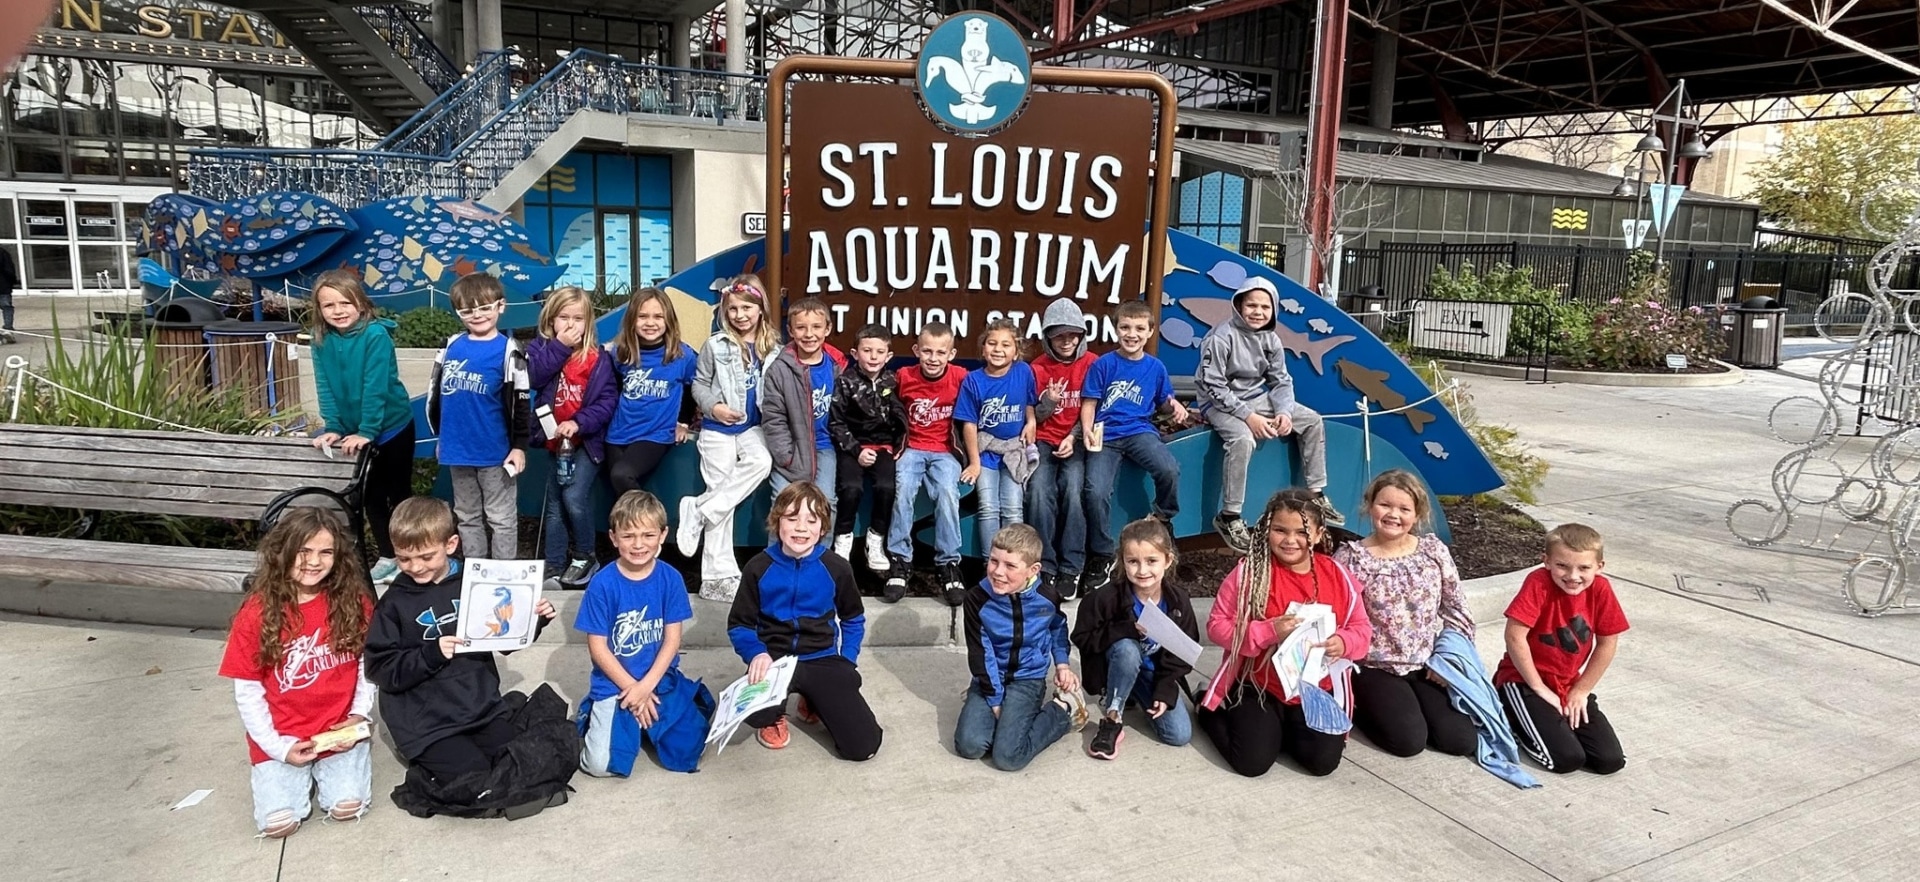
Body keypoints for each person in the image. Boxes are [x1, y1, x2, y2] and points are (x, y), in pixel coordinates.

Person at [365, 497, 560, 789]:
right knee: (474, 782)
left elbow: (504, 640)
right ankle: (425, 757)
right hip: (426, 722)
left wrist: (534, 620)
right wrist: (430, 654)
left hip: (477, 707)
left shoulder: (476, 581)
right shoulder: (393, 604)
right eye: (404, 559)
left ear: (451, 544)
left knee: (521, 764)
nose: (415, 567)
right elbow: (380, 669)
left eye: (426, 556)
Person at [217, 507, 375, 838]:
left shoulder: (352, 601)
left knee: (348, 806)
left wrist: (359, 715)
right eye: (304, 551)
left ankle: (335, 769)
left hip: (337, 730)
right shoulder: (257, 612)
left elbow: (366, 665)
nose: (314, 561)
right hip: (282, 734)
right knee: (279, 823)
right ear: (282, 551)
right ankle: (286, 775)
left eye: (325, 552)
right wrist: (278, 748)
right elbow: (247, 691)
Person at [1197, 490, 1372, 777]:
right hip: (1259, 686)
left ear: (1317, 534)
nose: (1290, 540)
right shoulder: (1250, 574)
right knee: (1251, 764)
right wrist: (1266, 631)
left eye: (1301, 532)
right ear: (1267, 530)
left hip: (1314, 688)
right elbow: (1217, 626)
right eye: (1280, 530)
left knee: (1322, 763)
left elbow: (1362, 630)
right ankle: (1210, 712)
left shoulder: (1338, 576)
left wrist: (1343, 642)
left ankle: (1276, 732)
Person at [726, 481, 883, 761]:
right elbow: (739, 624)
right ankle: (775, 714)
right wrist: (756, 653)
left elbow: (853, 619)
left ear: (823, 529)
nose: (801, 528)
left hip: (821, 656)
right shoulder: (758, 567)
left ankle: (814, 700)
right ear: (777, 522)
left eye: (812, 520)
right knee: (756, 713)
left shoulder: (836, 567)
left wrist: (847, 660)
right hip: (774, 658)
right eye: (792, 518)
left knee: (863, 747)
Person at [1332, 470, 1476, 758]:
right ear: (1370, 505)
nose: (1393, 514)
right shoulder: (1351, 558)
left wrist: (1447, 659)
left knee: (1460, 741)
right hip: (1374, 666)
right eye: (1384, 505)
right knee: (1408, 742)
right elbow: (1337, 618)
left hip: (1426, 665)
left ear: (1417, 514)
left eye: (1404, 509)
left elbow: (1457, 609)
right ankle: (1357, 702)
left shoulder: (1432, 551)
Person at [1196, 277, 1340, 552]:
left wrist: (1284, 412)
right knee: (1242, 439)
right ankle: (1229, 516)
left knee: (1311, 420)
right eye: (1251, 305)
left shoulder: (1271, 338)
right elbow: (1212, 385)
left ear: (1273, 310)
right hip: (1218, 403)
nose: (1257, 312)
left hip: (1256, 397)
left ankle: (1317, 493)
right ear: (1239, 305)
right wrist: (1249, 417)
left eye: (1265, 306)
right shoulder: (1220, 337)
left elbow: (1281, 381)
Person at [576, 491, 713, 776]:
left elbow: (672, 640)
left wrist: (645, 688)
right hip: (616, 685)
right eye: (628, 536)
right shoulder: (602, 585)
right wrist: (633, 690)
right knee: (599, 766)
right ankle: (597, 714)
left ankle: (655, 719)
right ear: (614, 538)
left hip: (658, 680)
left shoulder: (670, 579)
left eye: (648, 535)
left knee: (689, 750)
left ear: (663, 535)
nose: (638, 545)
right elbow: (598, 649)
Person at [307, 268, 415, 583]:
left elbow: (375, 387)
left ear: (361, 304)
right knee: (369, 497)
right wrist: (334, 426)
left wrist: (367, 431)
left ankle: (409, 554)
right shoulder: (320, 339)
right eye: (329, 306)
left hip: (391, 427)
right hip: (355, 432)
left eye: (345, 303)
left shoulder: (375, 335)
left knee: (398, 497)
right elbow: (324, 385)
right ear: (320, 310)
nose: (338, 311)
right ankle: (388, 554)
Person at [1494, 523, 1629, 775]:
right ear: (1546, 561)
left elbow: (1608, 642)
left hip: (1568, 683)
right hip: (1523, 681)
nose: (1573, 575)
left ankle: (1551, 725)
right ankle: (1512, 717)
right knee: (1566, 760)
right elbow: (1514, 636)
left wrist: (1581, 691)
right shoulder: (1539, 582)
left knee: (1609, 761)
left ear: (1599, 567)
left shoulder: (1601, 589)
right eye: (1562, 565)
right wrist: (1538, 687)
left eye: (1584, 568)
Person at [955, 523, 1087, 771]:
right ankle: (992, 709)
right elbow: (980, 652)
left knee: (1008, 757)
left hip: (1028, 679)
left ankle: (1063, 711)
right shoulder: (977, 599)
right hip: (991, 676)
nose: (998, 572)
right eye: (993, 561)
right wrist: (995, 701)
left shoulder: (1047, 596)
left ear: (1032, 570)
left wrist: (1062, 664)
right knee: (970, 746)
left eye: (1010, 566)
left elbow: (1057, 627)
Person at [679, 273, 778, 602]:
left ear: (760, 308)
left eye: (747, 307)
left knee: (761, 461)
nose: (740, 315)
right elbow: (698, 384)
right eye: (733, 308)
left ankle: (699, 510)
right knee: (723, 495)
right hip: (719, 428)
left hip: (753, 427)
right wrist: (714, 407)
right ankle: (716, 578)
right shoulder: (715, 344)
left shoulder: (773, 349)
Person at [1081, 300, 1189, 595]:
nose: (1132, 334)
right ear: (1115, 329)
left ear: (1150, 331)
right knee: (1095, 490)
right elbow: (1089, 404)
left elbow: (1164, 403)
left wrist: (1174, 405)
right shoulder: (1103, 365)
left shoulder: (1155, 367)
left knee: (1168, 468)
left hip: (1140, 431)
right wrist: (1088, 431)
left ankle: (1163, 516)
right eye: (1125, 327)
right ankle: (1102, 554)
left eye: (1140, 328)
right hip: (1107, 435)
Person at [1071, 517, 1198, 760]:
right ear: (1122, 562)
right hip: (1118, 663)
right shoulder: (1103, 599)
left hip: (1153, 672)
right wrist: (1124, 629)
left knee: (1178, 735)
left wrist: (1164, 689)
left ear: (1168, 560)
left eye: (1152, 561)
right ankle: (1113, 716)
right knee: (1127, 649)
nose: (1142, 571)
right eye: (1133, 562)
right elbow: (1082, 638)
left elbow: (1184, 650)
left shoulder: (1178, 601)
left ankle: (1136, 692)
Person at [427, 273, 530, 560]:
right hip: (457, 451)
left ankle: (502, 573)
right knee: (467, 516)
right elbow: (440, 395)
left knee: (500, 518)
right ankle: (476, 571)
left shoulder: (509, 351)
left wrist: (519, 446)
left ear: (501, 306)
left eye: (485, 307)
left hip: (495, 453)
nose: (477, 315)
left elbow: (521, 402)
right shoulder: (451, 346)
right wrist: (441, 438)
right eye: (467, 310)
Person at [526, 286, 616, 590]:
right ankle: (554, 565)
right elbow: (535, 377)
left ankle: (585, 555)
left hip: (587, 443)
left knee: (574, 497)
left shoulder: (597, 358)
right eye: (563, 317)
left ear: (588, 322)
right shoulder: (540, 349)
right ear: (551, 320)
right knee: (554, 505)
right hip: (555, 443)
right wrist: (560, 347)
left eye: (577, 318)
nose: (570, 324)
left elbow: (606, 402)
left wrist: (579, 422)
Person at [888, 321, 969, 605]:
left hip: (945, 450)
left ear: (952, 353)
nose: (933, 358)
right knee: (903, 490)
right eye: (927, 351)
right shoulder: (903, 376)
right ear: (916, 350)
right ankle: (900, 559)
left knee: (948, 492)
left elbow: (975, 413)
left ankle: (948, 563)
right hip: (912, 448)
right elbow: (887, 410)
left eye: (940, 352)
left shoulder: (960, 377)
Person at [828, 323, 908, 591]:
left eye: (879, 352)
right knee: (851, 488)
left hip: (884, 447)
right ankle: (843, 540)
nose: (873, 356)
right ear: (855, 352)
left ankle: (876, 539)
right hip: (853, 447)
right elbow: (836, 423)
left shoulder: (893, 381)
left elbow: (901, 416)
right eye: (867, 350)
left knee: (886, 487)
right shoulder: (845, 382)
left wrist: (898, 444)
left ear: (888, 356)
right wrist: (855, 450)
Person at [1027, 299, 1097, 601]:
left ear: (1081, 335)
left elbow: (1096, 408)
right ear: (1048, 337)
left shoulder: (1093, 363)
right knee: (1039, 491)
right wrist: (1050, 402)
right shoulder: (1037, 367)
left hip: (1077, 440)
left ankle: (1072, 565)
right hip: (1043, 439)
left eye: (1072, 335)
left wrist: (1075, 436)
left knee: (1073, 488)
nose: (1066, 341)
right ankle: (1046, 565)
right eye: (1059, 335)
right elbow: (1036, 416)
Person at [603, 286, 697, 498]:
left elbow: (692, 388)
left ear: (669, 320)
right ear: (632, 320)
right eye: (642, 316)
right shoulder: (621, 353)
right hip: (617, 435)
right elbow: (614, 390)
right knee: (619, 497)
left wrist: (683, 421)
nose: (650, 323)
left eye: (658, 316)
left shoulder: (683, 355)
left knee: (621, 475)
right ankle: (636, 528)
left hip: (654, 434)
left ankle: (652, 521)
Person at [956, 318, 1037, 559]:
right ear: (983, 348)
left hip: (1014, 450)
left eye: (1005, 345)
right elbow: (969, 424)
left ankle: (1016, 563)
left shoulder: (1023, 372)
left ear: (1016, 352)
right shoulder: (974, 380)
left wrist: (1031, 421)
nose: (998, 350)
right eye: (992, 343)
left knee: (1013, 509)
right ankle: (990, 565)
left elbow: (1029, 401)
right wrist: (974, 462)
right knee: (988, 507)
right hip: (985, 451)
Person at [762, 296, 847, 507]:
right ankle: (778, 542)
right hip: (793, 448)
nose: (809, 334)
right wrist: (786, 457)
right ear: (790, 331)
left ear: (827, 329)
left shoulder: (837, 366)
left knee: (825, 501)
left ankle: (822, 542)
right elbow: (774, 419)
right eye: (801, 328)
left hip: (824, 446)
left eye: (816, 327)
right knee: (783, 502)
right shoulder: (779, 370)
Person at [0, 240, 19, 342]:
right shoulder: (3, 253)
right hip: (3, 287)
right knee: (7, 308)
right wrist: (12, 283)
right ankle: (8, 329)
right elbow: (9, 270)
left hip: (4, 286)